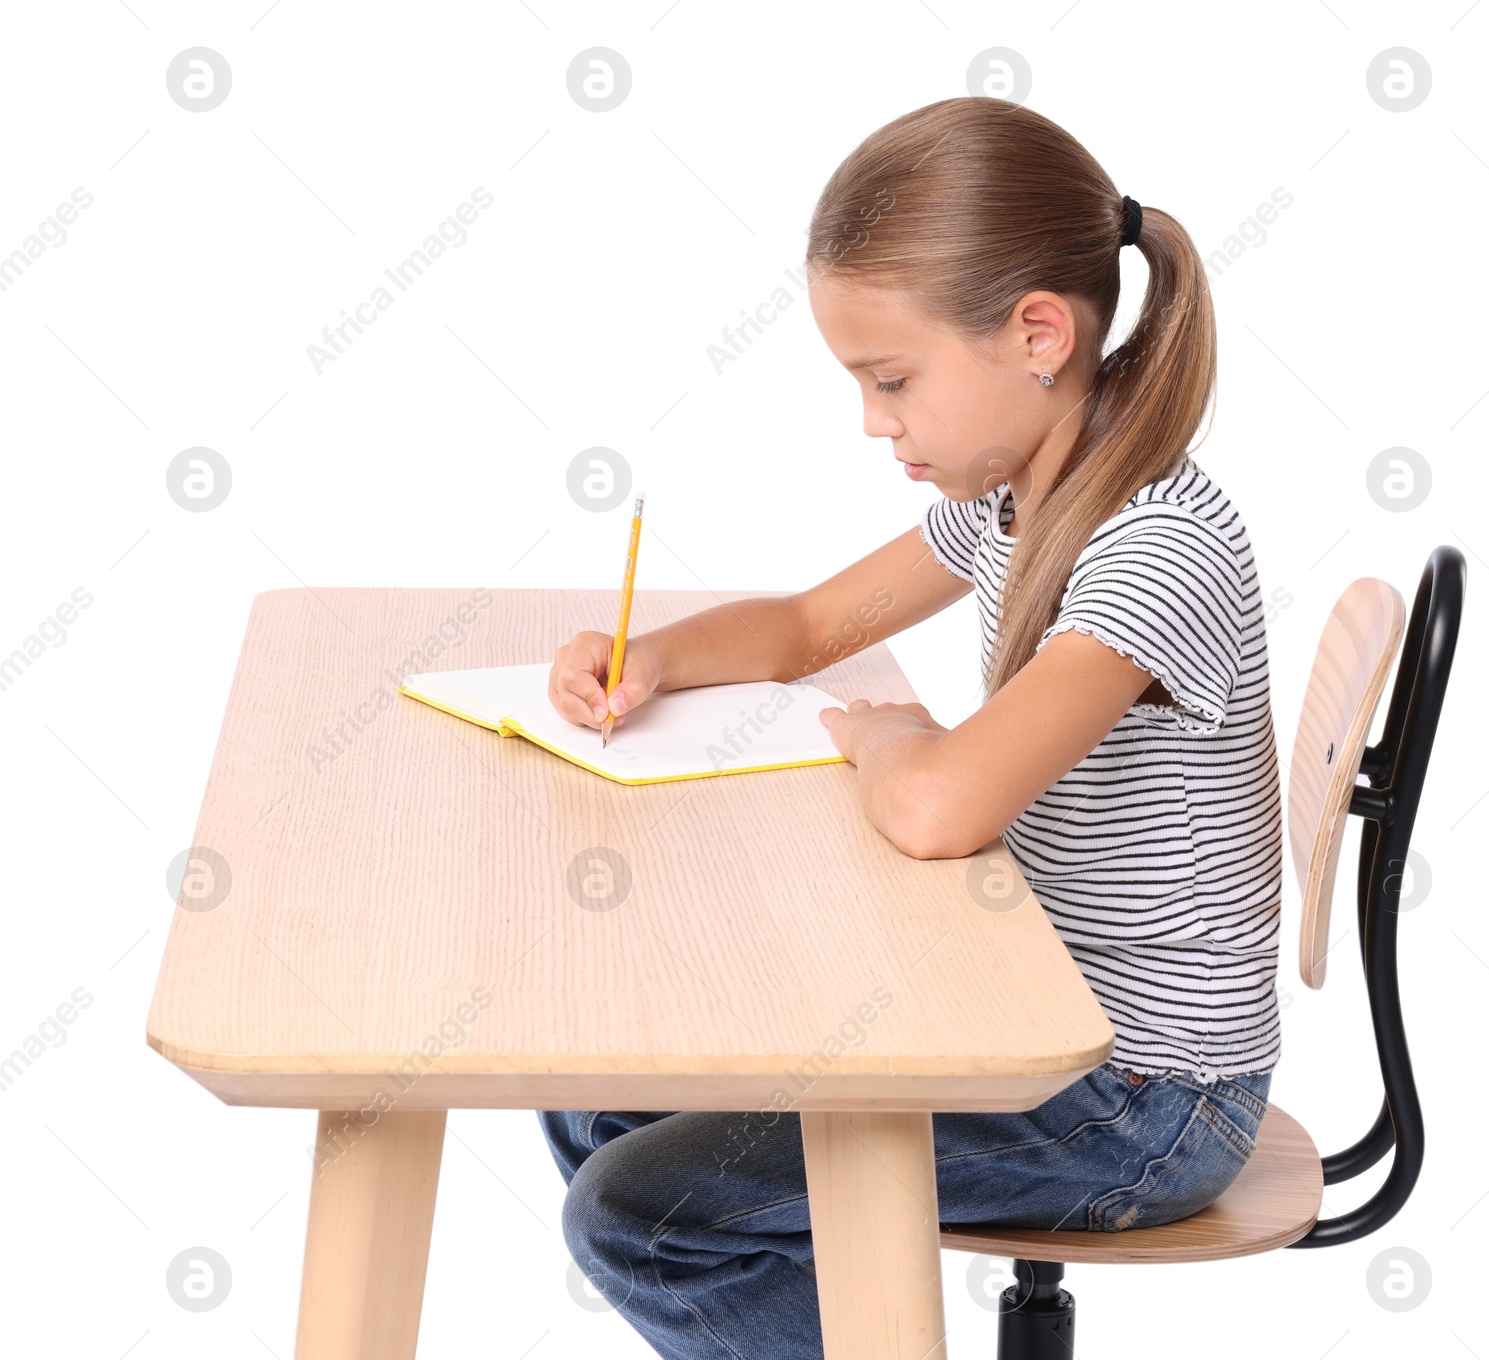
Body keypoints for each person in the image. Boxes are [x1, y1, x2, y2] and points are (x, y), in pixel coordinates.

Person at [538, 95, 1282, 1359]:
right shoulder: (1013, 491)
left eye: (891, 380)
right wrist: (647, 656)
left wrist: (892, 741)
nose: (874, 422)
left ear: (1036, 333)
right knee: (598, 1097)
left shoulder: (1153, 548)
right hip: (1031, 1007)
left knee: (644, 1212)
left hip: (1147, 1103)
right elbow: (806, 627)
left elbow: (938, 808)